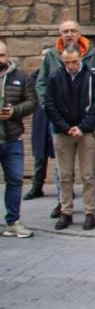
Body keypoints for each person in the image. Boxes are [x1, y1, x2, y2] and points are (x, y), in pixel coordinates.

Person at [36, 21, 95, 219]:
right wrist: (53, 115)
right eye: (65, 31)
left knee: (88, 171)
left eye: (72, 30)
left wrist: (84, 125)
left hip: (86, 125)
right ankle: (64, 206)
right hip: (60, 123)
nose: (69, 34)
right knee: (64, 172)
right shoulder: (51, 56)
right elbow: (42, 87)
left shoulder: (91, 54)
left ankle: (90, 206)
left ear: (79, 33)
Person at [0, 41, 37, 238]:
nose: (0, 59)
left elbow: (32, 102)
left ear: (7, 55)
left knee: (15, 180)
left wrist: (14, 111)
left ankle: (13, 221)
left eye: (2, 55)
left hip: (13, 137)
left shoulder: (20, 76)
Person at [24, 47, 52, 201]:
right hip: (40, 117)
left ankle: (65, 187)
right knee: (39, 154)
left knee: (62, 154)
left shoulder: (60, 73)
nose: (45, 58)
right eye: (43, 56)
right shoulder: (35, 76)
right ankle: (37, 186)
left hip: (57, 116)